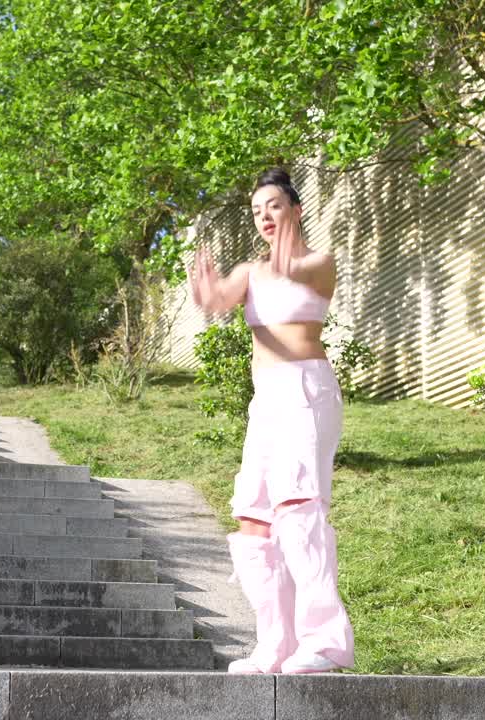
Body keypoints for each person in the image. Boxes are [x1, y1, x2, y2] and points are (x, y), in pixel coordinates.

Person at [189, 167, 354, 675]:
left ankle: (324, 642)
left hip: (306, 390)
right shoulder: (251, 271)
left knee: (299, 507)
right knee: (254, 518)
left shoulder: (318, 262)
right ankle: (274, 646)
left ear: (295, 210)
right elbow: (219, 299)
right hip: (265, 401)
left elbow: (302, 274)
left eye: (274, 207)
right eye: (258, 211)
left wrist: (286, 258)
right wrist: (208, 293)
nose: (264, 217)